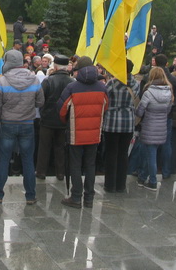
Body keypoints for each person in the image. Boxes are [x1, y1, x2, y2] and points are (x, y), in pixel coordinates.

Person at [0, 49, 44, 205]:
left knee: (4, 159)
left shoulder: (2, 81)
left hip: (8, 124)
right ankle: (30, 196)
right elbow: (40, 102)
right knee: (28, 160)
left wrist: (1, 119)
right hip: (27, 124)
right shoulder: (34, 80)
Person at [58, 56, 109, 208]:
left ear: (78, 70)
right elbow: (106, 107)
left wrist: (66, 122)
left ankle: (76, 197)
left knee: (75, 164)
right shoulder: (102, 87)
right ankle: (89, 198)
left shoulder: (72, 88)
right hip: (94, 133)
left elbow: (61, 110)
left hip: (75, 132)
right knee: (90, 165)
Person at [135, 66, 174, 192]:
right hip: (162, 126)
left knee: (150, 155)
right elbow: (168, 110)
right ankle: (142, 177)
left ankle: (152, 181)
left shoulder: (148, 92)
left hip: (149, 125)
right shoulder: (169, 92)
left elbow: (140, 111)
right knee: (152, 153)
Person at [36, 54, 73, 181]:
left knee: (44, 147)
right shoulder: (72, 82)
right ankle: (60, 173)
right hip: (64, 120)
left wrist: (43, 111)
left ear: (55, 67)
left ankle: (41, 172)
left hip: (47, 120)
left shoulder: (48, 81)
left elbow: (40, 99)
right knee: (60, 147)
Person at [102, 63, 138, 193]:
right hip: (128, 122)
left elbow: (104, 99)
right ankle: (121, 184)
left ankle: (109, 184)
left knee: (111, 153)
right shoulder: (135, 84)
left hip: (112, 121)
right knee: (123, 154)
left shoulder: (112, 83)